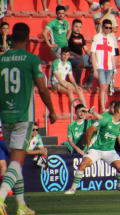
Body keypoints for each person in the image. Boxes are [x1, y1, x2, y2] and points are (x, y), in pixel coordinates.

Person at [0, 22, 57, 215]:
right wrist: (52, 110)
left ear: (11, 37)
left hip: (5, 117)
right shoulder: (32, 59)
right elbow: (42, 88)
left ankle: (21, 205)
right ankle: (0, 197)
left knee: (17, 161)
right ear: (28, 38)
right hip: (24, 116)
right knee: (17, 161)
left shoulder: (1, 59)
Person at [65, 101, 120, 195]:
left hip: (109, 150)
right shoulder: (105, 120)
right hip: (96, 149)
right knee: (83, 164)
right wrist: (89, 147)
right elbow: (89, 131)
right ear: (119, 110)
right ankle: (72, 189)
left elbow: (119, 134)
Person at [91, 19, 116, 113]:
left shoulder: (111, 40)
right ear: (102, 27)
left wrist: (114, 69)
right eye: (106, 28)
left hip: (109, 67)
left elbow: (112, 56)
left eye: (110, 28)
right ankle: (102, 108)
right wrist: (95, 69)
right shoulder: (96, 37)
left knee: (106, 88)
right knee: (103, 87)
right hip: (100, 66)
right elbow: (92, 53)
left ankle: (104, 108)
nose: (108, 30)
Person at [68, 19, 93, 88]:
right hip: (71, 57)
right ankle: (78, 83)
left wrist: (91, 56)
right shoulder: (69, 36)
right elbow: (67, 50)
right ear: (72, 26)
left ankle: (88, 83)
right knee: (80, 61)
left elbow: (86, 49)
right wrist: (76, 55)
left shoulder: (81, 36)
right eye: (76, 26)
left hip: (81, 56)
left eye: (79, 27)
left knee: (96, 61)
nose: (78, 29)